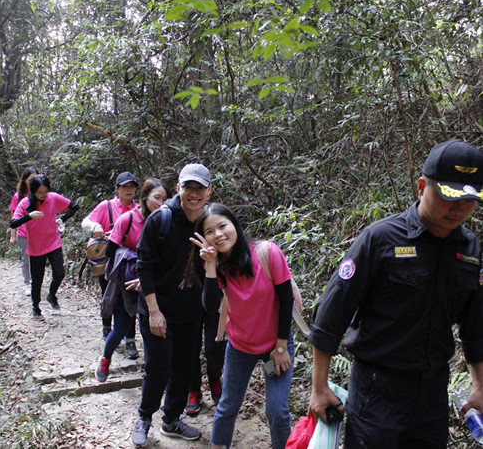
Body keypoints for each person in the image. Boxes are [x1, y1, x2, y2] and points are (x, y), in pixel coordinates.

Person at [308, 140, 483, 449]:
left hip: (431, 396)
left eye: (469, 200)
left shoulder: (470, 251)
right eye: (448, 197)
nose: (458, 208)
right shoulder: (380, 239)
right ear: (421, 186)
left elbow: (476, 327)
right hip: (377, 392)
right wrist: (319, 387)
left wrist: (480, 385)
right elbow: (331, 313)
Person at [186, 202, 295, 449]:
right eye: (210, 231)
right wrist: (211, 265)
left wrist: (280, 346)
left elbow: (286, 300)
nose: (218, 234)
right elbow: (210, 304)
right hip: (241, 346)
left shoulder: (267, 253)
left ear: (234, 224)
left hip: (274, 346)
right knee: (227, 406)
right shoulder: (216, 263)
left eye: (222, 226)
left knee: (277, 411)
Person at [131, 163, 212, 445]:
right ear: (178, 188)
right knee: (159, 366)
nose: (194, 194)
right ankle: (144, 417)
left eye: (199, 188)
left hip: (191, 311)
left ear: (208, 191)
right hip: (157, 308)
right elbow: (144, 266)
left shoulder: (210, 221)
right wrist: (153, 311)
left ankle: (172, 419)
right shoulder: (160, 219)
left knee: (184, 366)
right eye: (188, 187)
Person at [94, 178, 171, 382]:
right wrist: (132, 263)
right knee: (120, 327)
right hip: (126, 282)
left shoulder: (167, 221)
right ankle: (106, 359)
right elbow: (110, 250)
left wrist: (147, 278)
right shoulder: (127, 219)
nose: (161, 203)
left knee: (151, 331)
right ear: (144, 198)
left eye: (165, 199)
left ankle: (152, 373)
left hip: (153, 284)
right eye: (157, 198)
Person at [82, 171, 139, 358]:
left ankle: (130, 340)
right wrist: (95, 227)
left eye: (132, 187)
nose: (129, 190)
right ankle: (107, 326)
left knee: (130, 299)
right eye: (125, 187)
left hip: (129, 263)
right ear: (117, 189)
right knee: (108, 294)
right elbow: (86, 222)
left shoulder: (138, 209)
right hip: (109, 260)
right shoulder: (106, 206)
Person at [10, 174, 79, 320]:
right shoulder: (24, 204)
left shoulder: (52, 198)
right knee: (37, 279)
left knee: (60, 272)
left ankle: (52, 295)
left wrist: (61, 219)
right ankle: (36, 307)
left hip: (53, 242)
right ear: (33, 191)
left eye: (45, 192)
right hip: (36, 247)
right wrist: (29, 216)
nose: (42, 195)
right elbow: (13, 223)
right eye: (39, 193)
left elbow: (74, 206)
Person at [9, 166, 38, 295]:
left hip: (38, 232)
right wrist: (13, 235)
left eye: (35, 178)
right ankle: (28, 283)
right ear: (25, 180)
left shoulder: (39, 193)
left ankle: (35, 282)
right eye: (30, 179)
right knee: (26, 259)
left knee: (37, 259)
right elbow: (13, 216)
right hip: (23, 233)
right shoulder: (18, 196)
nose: (32, 181)